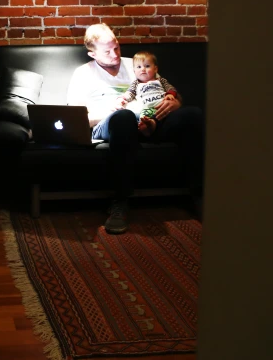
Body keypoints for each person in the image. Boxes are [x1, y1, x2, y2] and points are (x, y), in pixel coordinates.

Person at [66, 23, 204, 234]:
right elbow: (76, 119)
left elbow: (168, 91)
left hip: (150, 120)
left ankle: (199, 193)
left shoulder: (137, 64)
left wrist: (176, 102)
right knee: (124, 117)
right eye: (107, 51)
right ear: (92, 54)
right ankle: (120, 201)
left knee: (192, 115)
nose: (115, 54)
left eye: (117, 47)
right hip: (109, 125)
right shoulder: (83, 74)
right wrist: (108, 112)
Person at [118, 51, 179, 137]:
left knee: (169, 115)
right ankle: (147, 127)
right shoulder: (136, 83)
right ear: (134, 71)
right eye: (139, 67)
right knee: (144, 118)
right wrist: (123, 99)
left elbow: (170, 88)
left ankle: (153, 127)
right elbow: (130, 93)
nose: (143, 69)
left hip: (162, 106)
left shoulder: (160, 80)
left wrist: (170, 95)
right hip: (147, 108)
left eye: (147, 66)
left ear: (155, 69)